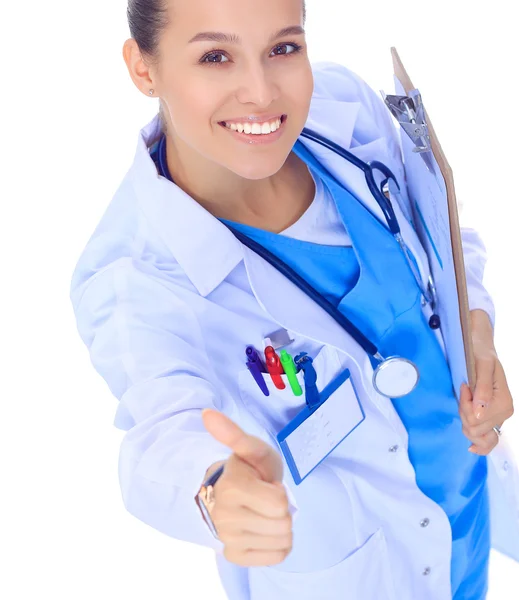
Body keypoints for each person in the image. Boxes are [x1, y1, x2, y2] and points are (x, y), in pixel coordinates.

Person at [69, 0, 518, 598]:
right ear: (143, 68)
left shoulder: (344, 114)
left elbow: (444, 236)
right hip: (365, 573)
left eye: (283, 48)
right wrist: (214, 493)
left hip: (466, 510)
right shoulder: (136, 278)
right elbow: (159, 433)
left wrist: (475, 331)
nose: (260, 93)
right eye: (215, 56)